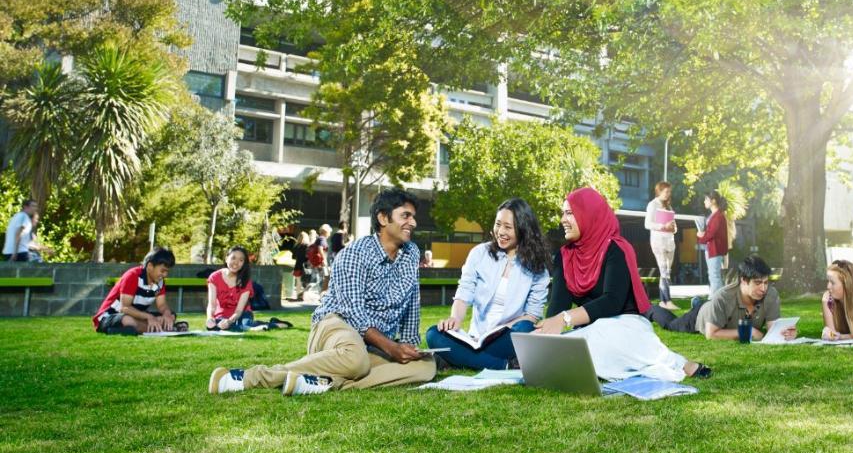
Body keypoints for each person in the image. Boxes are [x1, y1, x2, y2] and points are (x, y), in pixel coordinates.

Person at [209, 188, 436, 395]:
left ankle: (323, 382)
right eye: (405, 216)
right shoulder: (355, 253)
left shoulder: (411, 253)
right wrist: (391, 347)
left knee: (426, 367)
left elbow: (411, 303)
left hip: (371, 344)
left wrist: (409, 347)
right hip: (336, 325)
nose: (413, 222)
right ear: (383, 218)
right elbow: (354, 314)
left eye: (413, 216)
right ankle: (251, 377)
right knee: (356, 359)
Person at [532, 187, 712, 381]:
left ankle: (678, 362)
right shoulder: (564, 256)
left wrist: (565, 319)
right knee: (564, 347)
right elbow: (558, 306)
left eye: (569, 213)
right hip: (589, 330)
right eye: (562, 214)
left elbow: (612, 302)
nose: (562, 220)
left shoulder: (616, 249)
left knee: (597, 337)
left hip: (625, 327)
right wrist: (543, 336)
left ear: (588, 214)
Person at [425, 198, 550, 370]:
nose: (500, 231)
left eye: (508, 227)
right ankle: (505, 365)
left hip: (507, 334)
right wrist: (455, 319)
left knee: (526, 328)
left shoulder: (537, 267)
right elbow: (464, 293)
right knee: (433, 334)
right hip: (476, 337)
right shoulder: (479, 253)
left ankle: (457, 358)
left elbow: (532, 314)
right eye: (498, 224)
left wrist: (504, 328)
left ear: (523, 229)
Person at [647, 255, 796, 341]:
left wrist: (785, 333)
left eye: (765, 282)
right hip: (700, 317)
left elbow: (771, 332)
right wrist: (747, 332)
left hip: (716, 308)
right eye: (758, 283)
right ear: (743, 280)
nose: (763, 288)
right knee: (671, 324)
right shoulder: (724, 297)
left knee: (713, 305)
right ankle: (649, 308)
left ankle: (698, 302)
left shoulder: (771, 294)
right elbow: (711, 335)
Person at [92, 247, 187, 335]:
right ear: (150, 266)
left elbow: (162, 305)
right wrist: (149, 317)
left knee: (171, 315)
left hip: (136, 316)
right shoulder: (133, 276)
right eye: (162, 271)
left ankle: (137, 329)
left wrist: (167, 315)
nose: (165, 274)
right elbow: (125, 308)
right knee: (128, 320)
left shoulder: (159, 282)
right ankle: (168, 329)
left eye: (167, 271)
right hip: (110, 316)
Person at [645, 181, 678, 309]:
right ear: (659, 191)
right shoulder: (652, 205)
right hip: (659, 242)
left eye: (669, 191)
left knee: (667, 272)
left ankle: (663, 301)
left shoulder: (669, 207)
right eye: (666, 191)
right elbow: (647, 224)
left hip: (670, 242)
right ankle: (666, 301)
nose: (668, 194)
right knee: (664, 271)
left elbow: (674, 226)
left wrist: (673, 228)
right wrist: (663, 226)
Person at [695, 190, 729, 295]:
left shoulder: (718, 216)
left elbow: (711, 234)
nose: (704, 201)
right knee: (713, 275)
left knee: (714, 275)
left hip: (715, 249)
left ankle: (714, 299)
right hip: (711, 249)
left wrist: (701, 237)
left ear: (713, 201)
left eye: (706, 199)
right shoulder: (714, 215)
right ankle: (719, 298)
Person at [288, 231, 310, 301]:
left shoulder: (296, 246)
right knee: (306, 282)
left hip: (297, 266)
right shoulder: (307, 246)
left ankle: (298, 296)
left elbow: (293, 257)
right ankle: (303, 295)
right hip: (305, 266)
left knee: (298, 282)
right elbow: (308, 256)